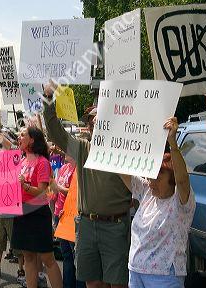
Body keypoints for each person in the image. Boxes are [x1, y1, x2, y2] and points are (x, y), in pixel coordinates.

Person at [43, 81, 131, 288]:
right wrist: (48, 100)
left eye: (99, 122)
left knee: (118, 284)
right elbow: (56, 133)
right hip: (86, 226)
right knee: (92, 283)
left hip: (116, 226)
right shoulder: (83, 148)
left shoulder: (124, 151)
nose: (94, 126)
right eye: (92, 123)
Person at [117, 117, 195, 288]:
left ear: (172, 179)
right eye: (150, 177)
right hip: (136, 272)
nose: (151, 182)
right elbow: (121, 170)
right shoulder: (147, 192)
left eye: (158, 178)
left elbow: (183, 180)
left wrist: (172, 144)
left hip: (165, 276)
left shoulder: (180, 201)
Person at [12, 126, 63, 288]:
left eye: (22, 135)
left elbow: (42, 191)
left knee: (47, 258)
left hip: (38, 214)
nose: (19, 138)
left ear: (32, 140)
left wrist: (25, 186)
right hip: (22, 213)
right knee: (28, 257)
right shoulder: (22, 161)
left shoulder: (42, 162)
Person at [0, 135, 25, 280]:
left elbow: (13, 148)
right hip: (0, 212)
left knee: (16, 243)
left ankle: (21, 270)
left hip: (12, 212)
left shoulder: (12, 161)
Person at [50, 155, 84, 288]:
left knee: (77, 258)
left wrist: (57, 187)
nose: (65, 152)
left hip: (73, 218)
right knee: (66, 255)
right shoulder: (64, 168)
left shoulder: (79, 170)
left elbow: (76, 193)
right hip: (61, 216)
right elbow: (54, 191)